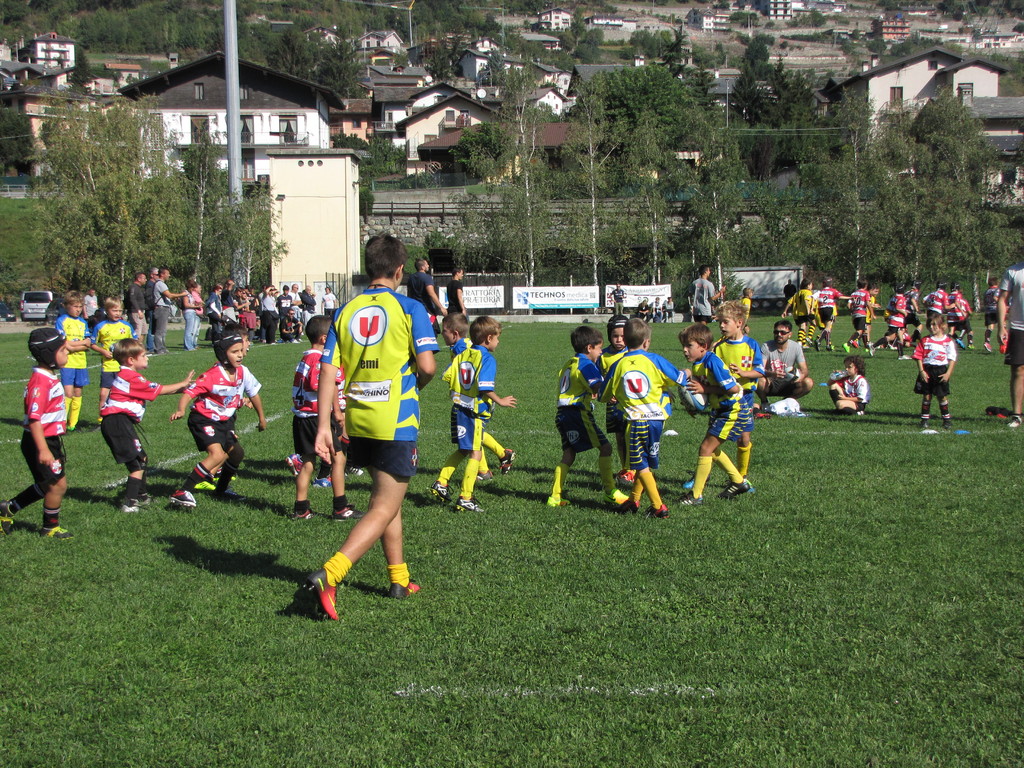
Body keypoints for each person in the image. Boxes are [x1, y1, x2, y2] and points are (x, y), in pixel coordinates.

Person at [305, 235, 438, 621]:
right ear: (400, 271)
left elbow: (327, 369)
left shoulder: (345, 311)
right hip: (395, 419)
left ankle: (399, 579)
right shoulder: (410, 307)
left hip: (358, 419)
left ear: (368, 270)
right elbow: (428, 366)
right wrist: (415, 385)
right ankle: (331, 574)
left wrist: (324, 424)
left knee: (387, 500)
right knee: (383, 506)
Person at [0, 329, 90, 539]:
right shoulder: (40, 382)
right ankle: (50, 528)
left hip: (49, 440)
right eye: (63, 350)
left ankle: (8, 508)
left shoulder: (47, 375)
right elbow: (34, 419)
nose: (67, 354)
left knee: (49, 484)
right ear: (49, 354)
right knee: (57, 486)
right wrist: (43, 450)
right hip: (40, 441)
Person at [168, 332, 267, 508]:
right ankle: (183, 491)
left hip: (224, 421)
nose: (240, 355)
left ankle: (221, 490)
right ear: (223, 355)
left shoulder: (243, 372)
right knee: (217, 455)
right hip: (203, 419)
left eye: (241, 350)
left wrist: (261, 418)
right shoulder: (212, 375)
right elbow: (189, 393)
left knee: (237, 453)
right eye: (235, 352)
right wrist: (181, 410)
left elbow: (254, 394)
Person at [599, 319, 686, 518]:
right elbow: (679, 379)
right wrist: (685, 373)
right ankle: (633, 499)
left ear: (625, 340)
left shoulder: (618, 365)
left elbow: (603, 395)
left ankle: (658, 506)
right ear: (646, 342)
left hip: (636, 421)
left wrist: (618, 393)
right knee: (644, 461)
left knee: (640, 464)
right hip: (657, 420)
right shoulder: (656, 360)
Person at [431, 316, 517, 513]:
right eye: (497, 338)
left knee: (464, 450)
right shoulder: (487, 359)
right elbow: (485, 386)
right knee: (475, 453)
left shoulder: (463, 354)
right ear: (488, 338)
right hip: (474, 412)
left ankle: (441, 482)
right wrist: (500, 400)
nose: (498, 342)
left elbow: (447, 375)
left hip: (459, 408)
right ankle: (466, 497)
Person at [100, 339, 194, 512]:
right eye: (143, 355)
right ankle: (129, 503)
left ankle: (141, 495)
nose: (147, 358)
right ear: (131, 360)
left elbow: (157, 392)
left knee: (142, 458)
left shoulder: (129, 376)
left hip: (119, 422)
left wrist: (186, 389)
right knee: (136, 464)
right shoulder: (130, 377)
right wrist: (183, 383)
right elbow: (160, 390)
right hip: (117, 422)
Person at [546, 325, 630, 509]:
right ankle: (610, 492)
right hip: (578, 413)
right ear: (589, 348)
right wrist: (614, 395)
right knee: (606, 448)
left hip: (562, 413)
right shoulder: (586, 365)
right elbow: (599, 388)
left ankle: (555, 496)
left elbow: (577, 384)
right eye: (599, 348)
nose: (601, 352)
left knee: (569, 453)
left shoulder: (570, 363)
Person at [287, 315, 361, 522]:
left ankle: (301, 509)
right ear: (324, 339)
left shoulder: (305, 357)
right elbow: (320, 384)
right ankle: (340, 507)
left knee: (308, 463)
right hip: (316, 417)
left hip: (302, 417)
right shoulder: (319, 359)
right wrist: (336, 410)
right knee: (339, 459)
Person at [678, 322, 751, 506]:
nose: (685, 350)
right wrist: (691, 405)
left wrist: (705, 389)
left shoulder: (713, 362)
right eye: (683, 346)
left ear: (703, 346)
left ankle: (696, 496)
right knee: (712, 449)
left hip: (732, 410)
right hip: (719, 410)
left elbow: (733, 389)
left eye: (689, 346)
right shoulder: (698, 363)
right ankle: (738, 482)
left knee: (705, 449)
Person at [712, 301, 764, 483]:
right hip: (722, 397)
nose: (721, 326)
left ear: (739, 323)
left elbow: (760, 370)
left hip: (745, 397)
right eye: (720, 322)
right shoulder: (718, 347)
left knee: (744, 438)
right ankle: (702, 476)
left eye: (725, 322)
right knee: (712, 439)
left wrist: (743, 373)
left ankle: (742, 476)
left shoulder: (751, 345)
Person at [56, 290, 105, 432]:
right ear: (66, 306)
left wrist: (73, 346)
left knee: (78, 392)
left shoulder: (83, 322)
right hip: (67, 362)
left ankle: (72, 424)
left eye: (80, 306)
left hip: (81, 363)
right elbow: (64, 343)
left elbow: (88, 343)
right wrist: (79, 344)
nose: (77, 309)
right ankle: (61, 423)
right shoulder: (62, 321)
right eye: (75, 306)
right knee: (68, 393)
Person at [599, 314, 631, 484]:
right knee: (620, 438)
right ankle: (625, 468)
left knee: (631, 437)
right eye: (615, 336)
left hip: (631, 404)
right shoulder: (603, 356)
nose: (619, 340)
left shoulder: (633, 354)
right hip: (612, 405)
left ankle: (633, 470)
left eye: (623, 336)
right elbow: (598, 379)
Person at [93, 298, 136, 420]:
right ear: (107, 311)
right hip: (108, 366)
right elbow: (92, 343)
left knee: (124, 392)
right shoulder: (100, 326)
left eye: (120, 311)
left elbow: (135, 342)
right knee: (104, 393)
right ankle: (102, 418)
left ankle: (125, 415)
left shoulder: (126, 326)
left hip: (124, 367)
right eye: (114, 310)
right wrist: (103, 351)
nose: (118, 313)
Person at [913, 315, 957, 430]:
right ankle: (924, 420)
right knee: (927, 396)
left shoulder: (948, 342)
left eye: (934, 324)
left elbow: (952, 359)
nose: (931, 327)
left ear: (942, 326)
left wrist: (948, 374)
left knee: (941, 396)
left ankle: (946, 420)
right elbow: (918, 356)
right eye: (929, 325)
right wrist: (921, 371)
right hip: (927, 371)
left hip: (941, 371)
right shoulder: (925, 340)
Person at [757, 319, 814, 409]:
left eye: (783, 333)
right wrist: (772, 373)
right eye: (776, 332)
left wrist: (801, 377)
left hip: (789, 381)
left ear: (790, 334)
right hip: (771, 382)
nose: (779, 335)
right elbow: (760, 369)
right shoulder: (766, 346)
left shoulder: (796, 347)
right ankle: (764, 403)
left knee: (808, 382)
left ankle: (786, 401)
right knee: (759, 380)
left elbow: (805, 370)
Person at [997, 260, 1024, 427]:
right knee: (1018, 370)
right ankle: (1017, 415)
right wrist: (1001, 326)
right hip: (1018, 327)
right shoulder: (1013, 271)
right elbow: (1002, 299)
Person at [870, 285, 911, 359]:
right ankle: (873, 346)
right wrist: (905, 313)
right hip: (897, 320)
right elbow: (898, 308)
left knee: (897, 336)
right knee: (893, 337)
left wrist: (892, 314)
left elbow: (888, 308)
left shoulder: (893, 298)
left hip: (893, 319)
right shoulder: (901, 298)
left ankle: (901, 355)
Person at [152, 268, 186, 355]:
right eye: (167, 273)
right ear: (162, 274)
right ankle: (158, 348)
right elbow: (169, 295)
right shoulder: (160, 284)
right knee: (160, 330)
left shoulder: (162, 284)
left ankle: (162, 347)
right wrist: (182, 294)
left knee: (163, 330)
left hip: (164, 308)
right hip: (161, 308)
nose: (169, 275)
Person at [407, 258, 447, 329]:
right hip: (427, 309)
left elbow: (409, 293)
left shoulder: (411, 278)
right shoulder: (426, 277)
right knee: (432, 330)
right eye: (426, 264)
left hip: (414, 309)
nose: (428, 265)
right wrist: (441, 307)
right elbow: (431, 293)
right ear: (422, 267)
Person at [782, 278, 816, 348]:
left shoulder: (798, 293)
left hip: (797, 313)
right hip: (806, 312)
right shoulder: (808, 292)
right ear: (808, 285)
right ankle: (809, 338)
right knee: (813, 324)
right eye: (811, 285)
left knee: (802, 327)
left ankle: (802, 343)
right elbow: (806, 300)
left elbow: (790, 302)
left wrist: (785, 311)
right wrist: (808, 310)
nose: (812, 286)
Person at [843, 279, 871, 354]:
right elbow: (868, 304)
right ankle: (848, 344)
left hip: (854, 314)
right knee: (860, 331)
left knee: (864, 330)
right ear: (865, 286)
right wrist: (872, 313)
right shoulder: (866, 293)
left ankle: (866, 347)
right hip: (861, 314)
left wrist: (852, 310)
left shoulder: (853, 293)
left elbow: (848, 305)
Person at [126, 271, 148, 347]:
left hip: (141, 312)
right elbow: (132, 299)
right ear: (139, 279)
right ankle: (133, 348)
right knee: (137, 331)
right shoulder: (133, 287)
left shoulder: (139, 288)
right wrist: (138, 310)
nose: (146, 280)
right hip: (135, 312)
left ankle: (139, 347)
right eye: (144, 278)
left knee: (144, 331)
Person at [182, 278, 204, 351]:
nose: (193, 289)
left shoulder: (190, 294)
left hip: (192, 312)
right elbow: (186, 304)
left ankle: (191, 345)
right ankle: (188, 346)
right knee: (189, 330)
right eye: (193, 287)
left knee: (191, 330)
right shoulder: (185, 293)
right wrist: (196, 306)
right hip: (189, 312)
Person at [983, 276, 1000, 353]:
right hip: (996, 310)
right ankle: (1003, 343)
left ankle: (987, 342)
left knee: (990, 327)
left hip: (988, 310)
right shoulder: (997, 290)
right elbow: (995, 297)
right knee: (1002, 325)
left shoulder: (986, 291)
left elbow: (984, 301)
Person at [144, 268, 160, 353]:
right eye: (157, 274)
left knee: (154, 328)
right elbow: (149, 297)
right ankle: (150, 347)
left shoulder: (154, 284)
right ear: (152, 275)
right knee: (151, 328)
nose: (158, 276)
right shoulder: (150, 285)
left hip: (152, 308)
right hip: (151, 309)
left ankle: (153, 346)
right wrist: (154, 305)